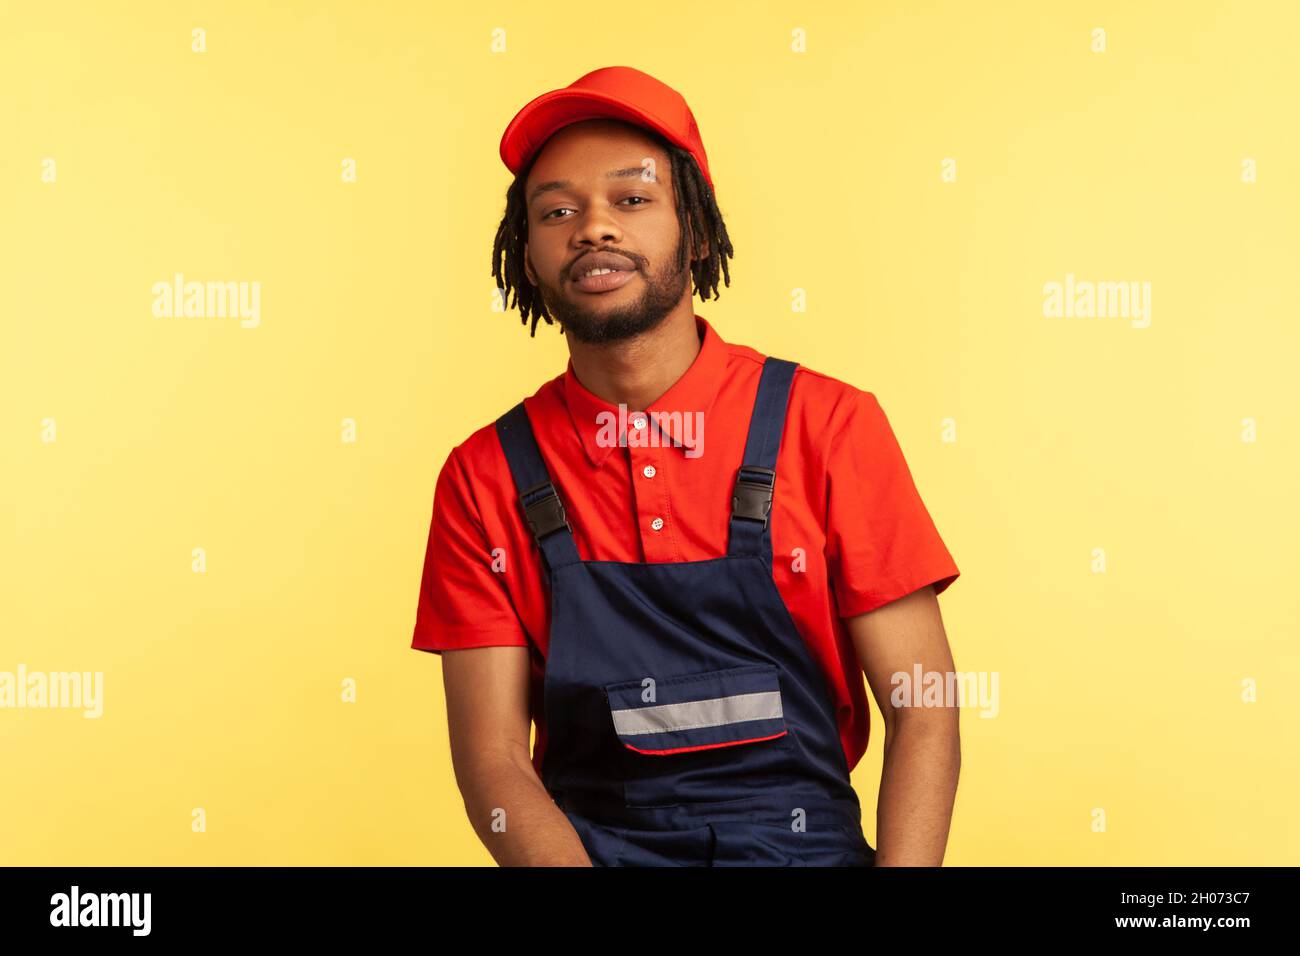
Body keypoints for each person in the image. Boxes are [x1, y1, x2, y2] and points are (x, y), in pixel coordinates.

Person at [411, 66, 962, 866]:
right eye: (557, 210)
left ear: (696, 230)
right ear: (527, 258)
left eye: (631, 200)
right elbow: (493, 765)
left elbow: (926, 708)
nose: (593, 228)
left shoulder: (829, 426)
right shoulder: (484, 476)